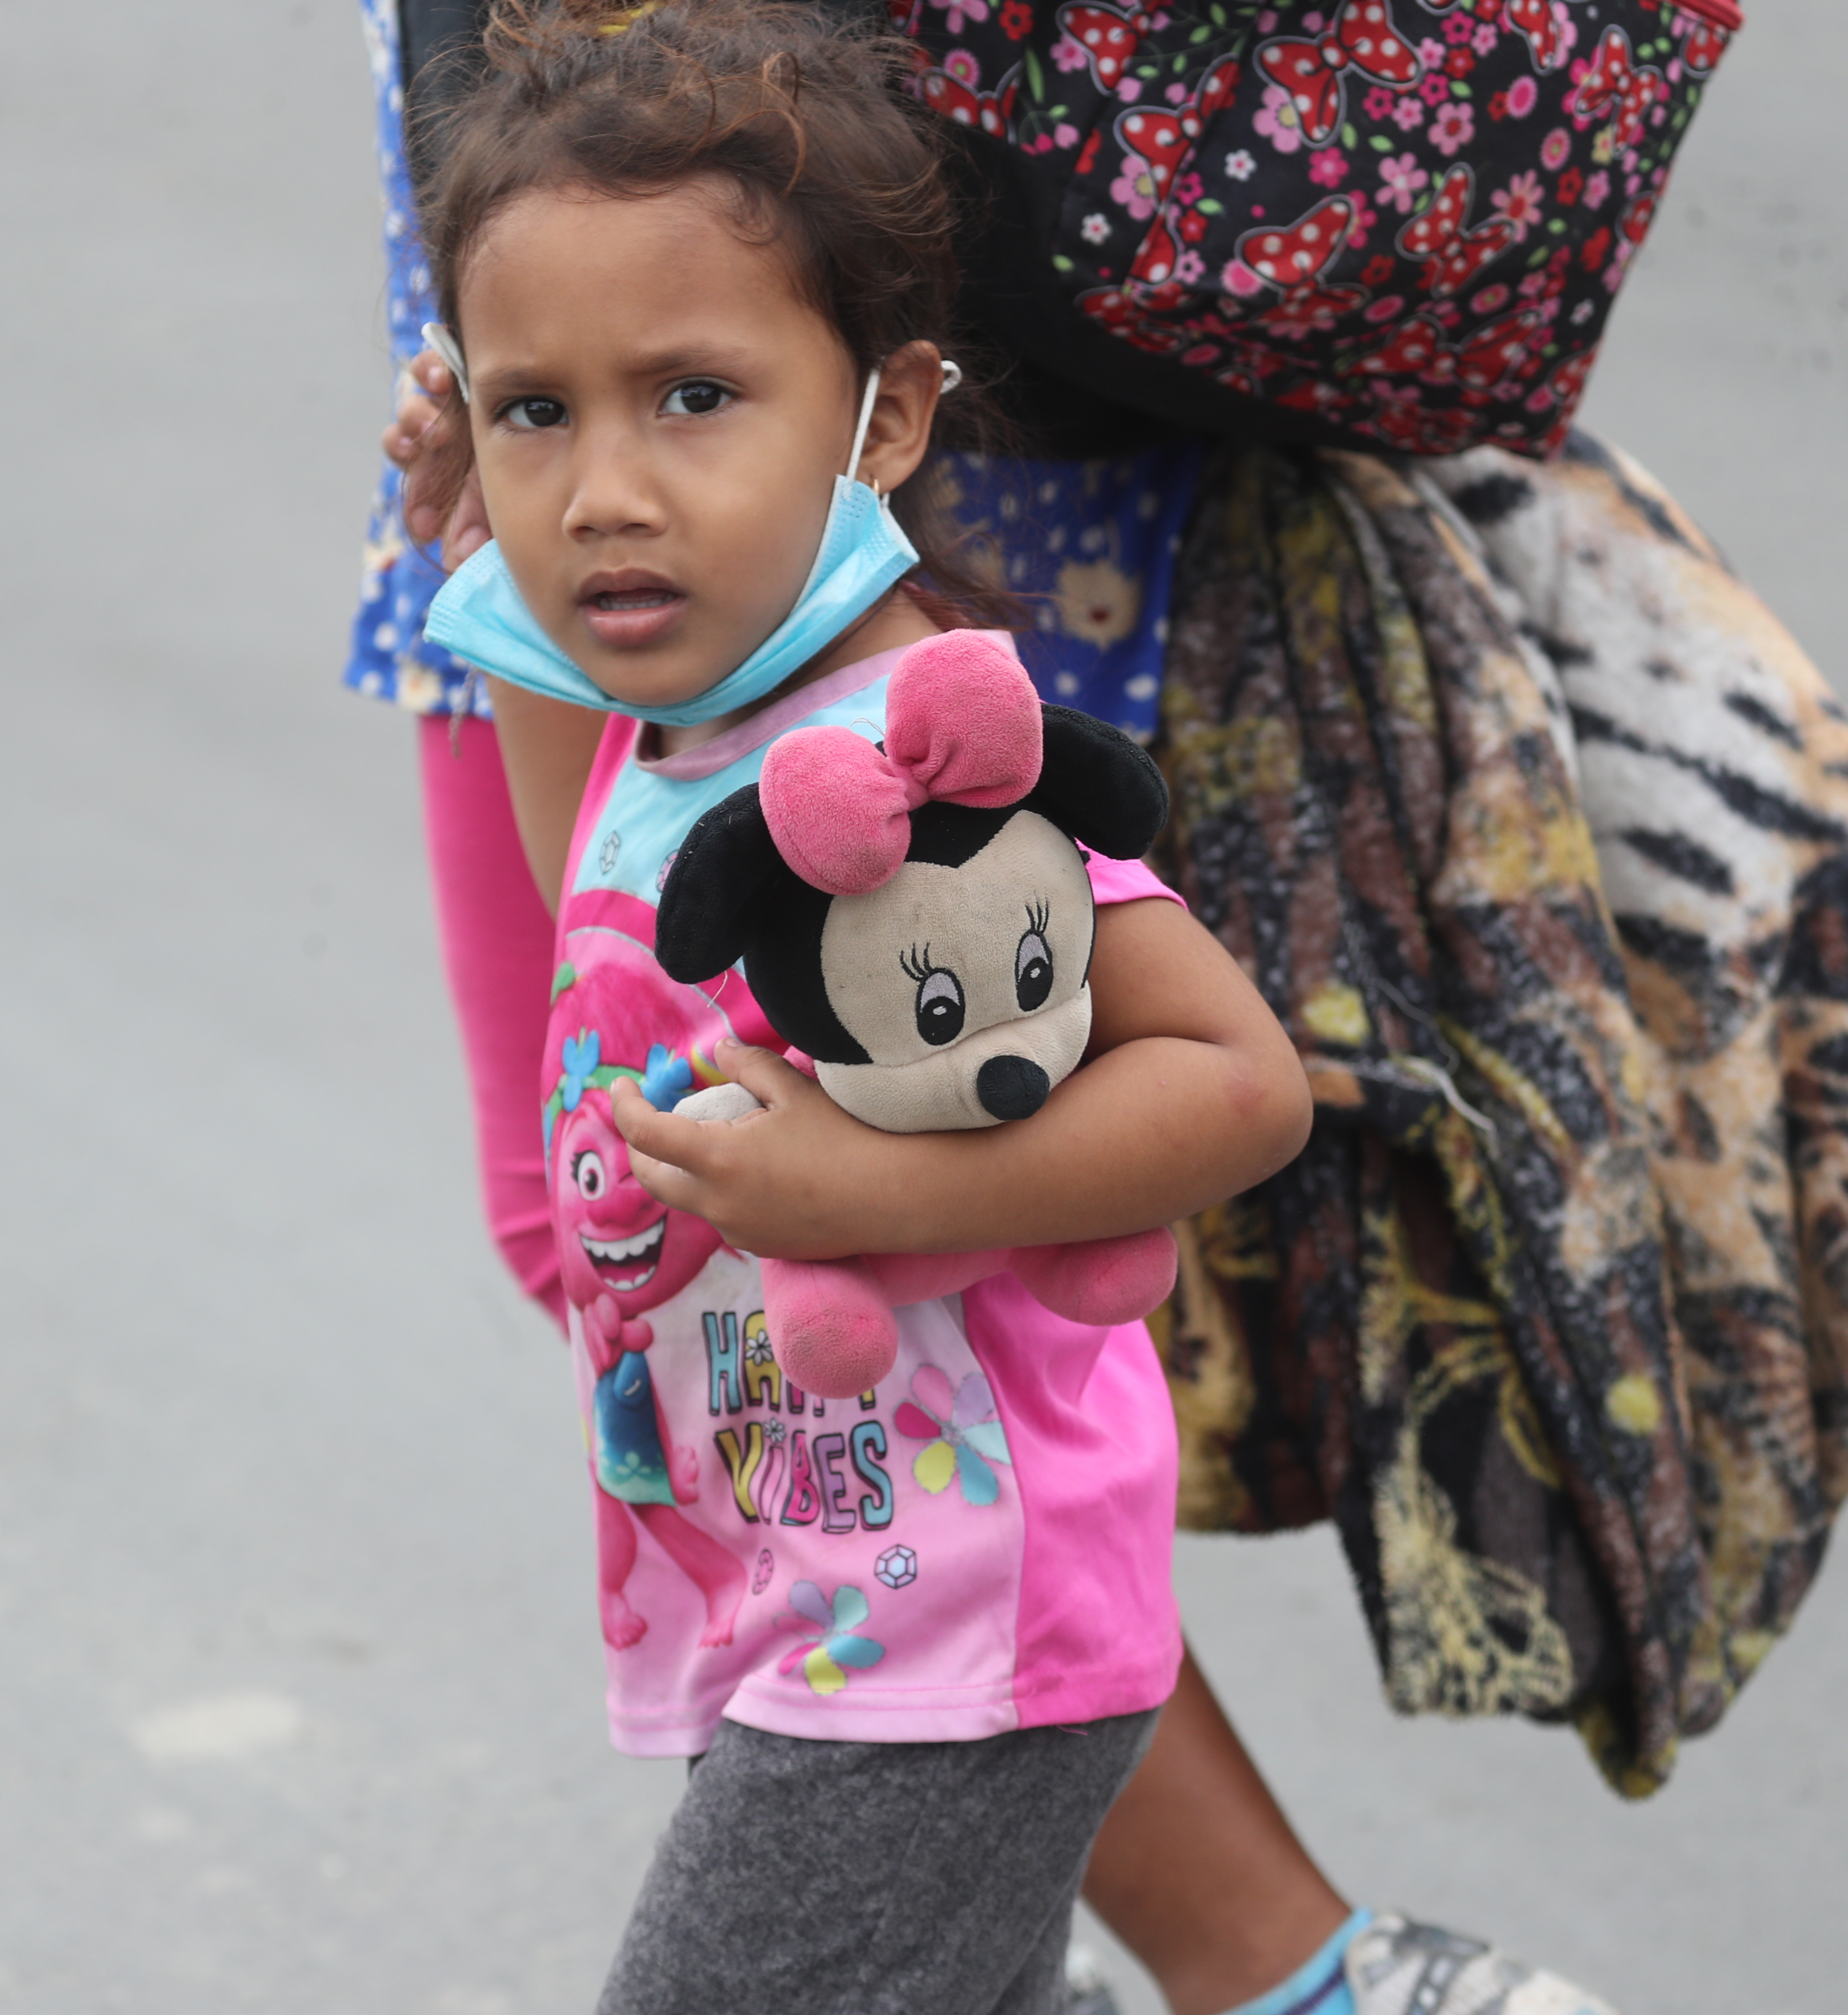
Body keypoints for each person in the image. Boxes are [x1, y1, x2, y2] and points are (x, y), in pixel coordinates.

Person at [393, 6, 1323, 2008]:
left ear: (883, 421)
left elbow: (1239, 1081)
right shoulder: (675, 718)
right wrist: (473, 539)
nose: (605, 489)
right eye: (535, 409)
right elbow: (594, 918)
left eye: (694, 395)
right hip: (800, 1581)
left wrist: (867, 1195)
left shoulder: (922, 760)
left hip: (948, 1622)